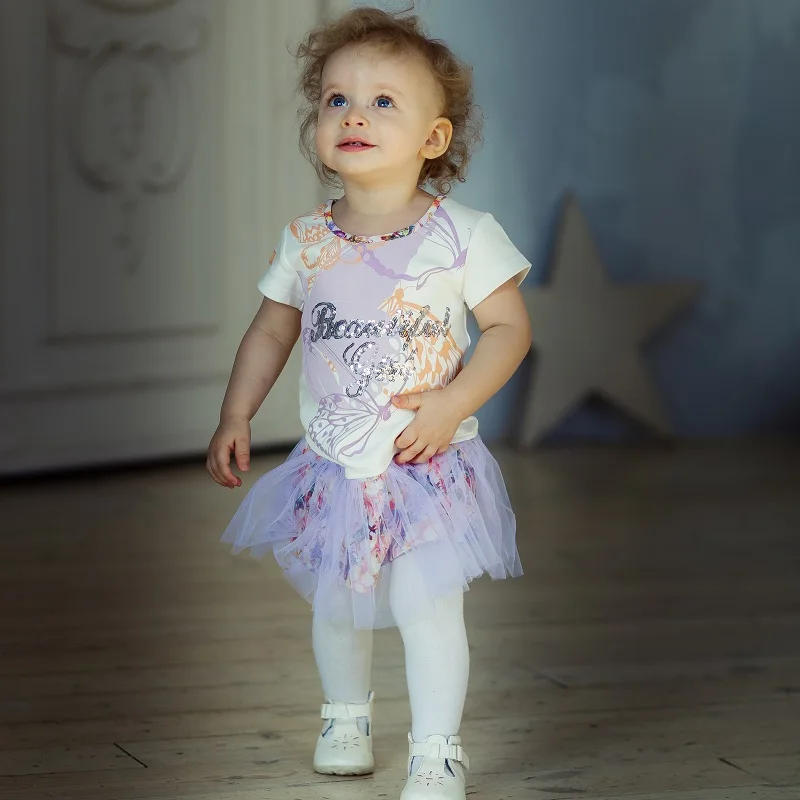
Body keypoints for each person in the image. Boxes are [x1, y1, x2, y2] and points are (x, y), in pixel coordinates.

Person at [206, 7, 531, 799]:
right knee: (337, 604)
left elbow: (508, 331)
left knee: (427, 605)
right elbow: (270, 331)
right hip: (335, 462)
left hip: (427, 459)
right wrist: (236, 413)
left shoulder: (465, 234)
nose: (354, 114)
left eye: (384, 101)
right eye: (337, 100)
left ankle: (436, 751)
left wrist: (452, 402)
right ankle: (345, 717)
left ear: (434, 138)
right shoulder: (307, 241)